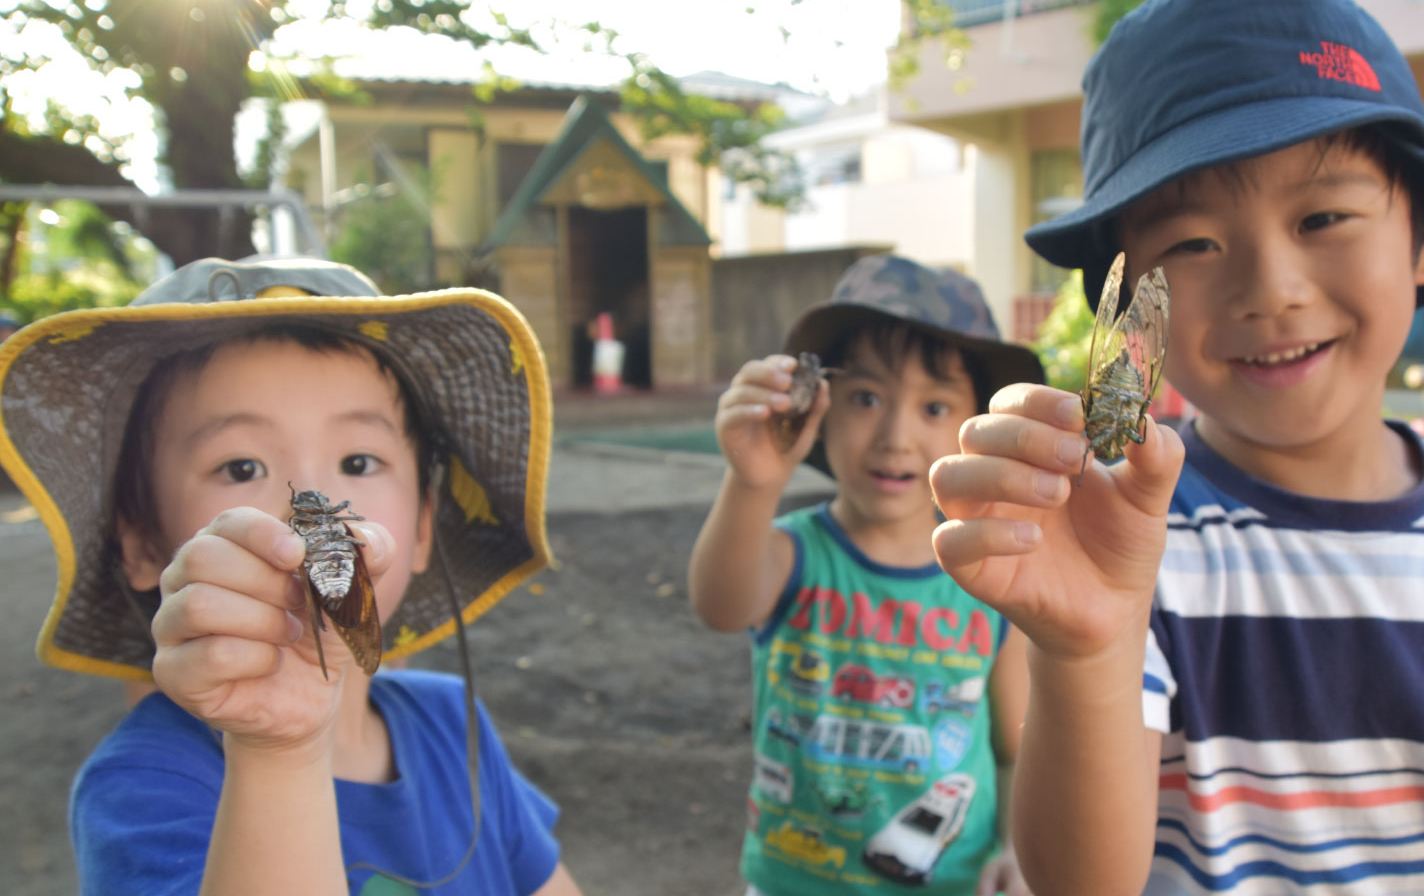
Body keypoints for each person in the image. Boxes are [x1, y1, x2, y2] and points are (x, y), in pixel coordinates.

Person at [925, 0, 1424, 893]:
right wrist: (1088, 647)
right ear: (1126, 307)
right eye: (1194, 241)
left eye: (1323, 219)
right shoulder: (1130, 540)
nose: (1270, 290)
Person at [0, 256, 582, 894]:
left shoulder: (454, 725)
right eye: (241, 468)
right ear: (140, 543)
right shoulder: (144, 788)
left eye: (358, 460)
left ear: (422, 528)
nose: (307, 504)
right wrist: (277, 750)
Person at [689, 254, 1046, 896]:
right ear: (818, 409)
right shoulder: (791, 553)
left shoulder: (990, 578)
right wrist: (751, 482)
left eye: (935, 407)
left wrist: (1018, 846)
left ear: (978, 427)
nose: (895, 435)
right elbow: (719, 605)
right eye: (866, 397)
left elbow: (1017, 747)